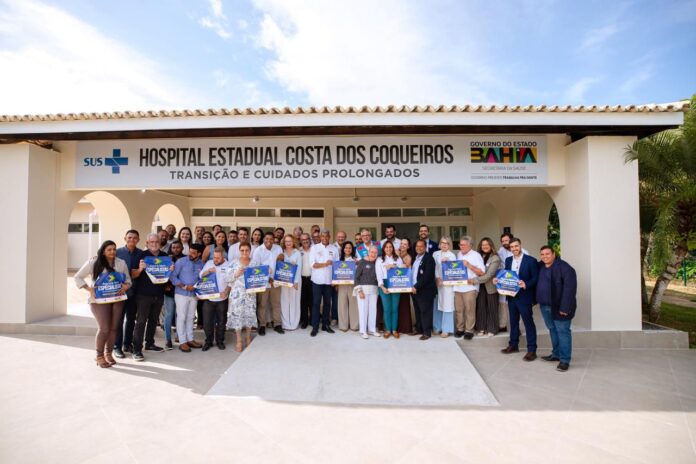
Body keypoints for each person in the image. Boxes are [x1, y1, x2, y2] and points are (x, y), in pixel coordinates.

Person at [75, 240, 131, 367]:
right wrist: (89, 289)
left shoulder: (121, 263)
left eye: (114, 249)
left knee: (114, 329)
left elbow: (128, 280)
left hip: (117, 299)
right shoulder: (94, 262)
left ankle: (108, 353)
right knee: (104, 329)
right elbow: (78, 276)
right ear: (103, 251)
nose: (112, 252)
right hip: (99, 300)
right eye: (109, 249)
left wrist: (125, 286)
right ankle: (99, 356)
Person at [131, 233, 173, 361]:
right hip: (143, 295)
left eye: (157, 242)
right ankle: (137, 349)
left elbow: (167, 276)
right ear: (147, 243)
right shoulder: (141, 255)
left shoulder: (165, 256)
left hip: (159, 294)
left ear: (160, 243)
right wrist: (140, 269)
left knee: (154, 321)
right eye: (152, 242)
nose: (154, 244)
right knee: (141, 322)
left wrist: (171, 270)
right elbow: (133, 274)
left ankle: (149, 343)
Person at [498, 238, 539, 361]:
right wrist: (498, 280)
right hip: (511, 296)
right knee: (513, 322)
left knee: (528, 323)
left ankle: (532, 350)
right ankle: (513, 345)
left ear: (520, 246)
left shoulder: (531, 260)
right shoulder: (508, 260)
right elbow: (507, 276)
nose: (514, 249)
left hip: (525, 296)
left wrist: (526, 284)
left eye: (516, 246)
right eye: (512, 247)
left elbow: (535, 278)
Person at [537, 246, 577, 372]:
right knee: (552, 330)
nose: (544, 256)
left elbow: (569, 290)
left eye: (547, 254)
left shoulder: (565, 268)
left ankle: (564, 360)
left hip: (560, 307)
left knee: (563, 332)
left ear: (554, 254)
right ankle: (556, 354)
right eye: (542, 254)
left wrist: (565, 307)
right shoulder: (540, 266)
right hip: (544, 306)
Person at [169, 243, 204, 352]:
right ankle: (182, 341)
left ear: (199, 254)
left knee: (191, 317)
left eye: (194, 253)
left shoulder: (201, 264)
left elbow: (202, 279)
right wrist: (184, 286)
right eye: (190, 251)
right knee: (182, 317)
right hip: (181, 294)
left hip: (194, 295)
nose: (190, 254)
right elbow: (172, 276)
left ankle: (190, 339)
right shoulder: (181, 261)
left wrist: (200, 291)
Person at [113, 229, 140, 358]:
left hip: (134, 292)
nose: (132, 240)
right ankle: (117, 347)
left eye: (134, 238)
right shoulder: (117, 252)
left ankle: (127, 344)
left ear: (138, 240)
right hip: (120, 292)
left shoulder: (141, 253)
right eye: (129, 237)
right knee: (118, 320)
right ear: (125, 239)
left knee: (131, 320)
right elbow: (104, 258)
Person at [226, 242, 257, 352]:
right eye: (242, 250)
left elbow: (260, 277)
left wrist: (268, 271)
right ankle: (239, 340)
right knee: (237, 317)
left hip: (250, 294)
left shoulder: (254, 263)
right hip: (237, 294)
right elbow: (227, 279)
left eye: (247, 250)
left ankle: (248, 337)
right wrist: (236, 274)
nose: (244, 252)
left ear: (250, 251)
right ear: (239, 251)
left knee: (249, 315)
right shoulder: (233, 263)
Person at [251, 231, 284, 334]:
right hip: (263, 282)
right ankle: (262, 325)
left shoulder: (278, 248)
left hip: (276, 281)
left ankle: (277, 324)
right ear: (263, 239)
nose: (269, 241)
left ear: (274, 239)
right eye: (266, 239)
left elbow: (281, 264)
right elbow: (256, 267)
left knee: (276, 303)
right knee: (262, 304)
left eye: (271, 239)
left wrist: (277, 277)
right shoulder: (258, 250)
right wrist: (267, 277)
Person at [199, 247, 231, 350]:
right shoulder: (209, 263)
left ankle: (220, 341)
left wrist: (226, 291)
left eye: (218, 258)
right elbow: (201, 275)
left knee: (221, 322)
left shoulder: (229, 265)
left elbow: (231, 281)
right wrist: (208, 271)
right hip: (209, 298)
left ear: (223, 257)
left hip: (222, 299)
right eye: (214, 257)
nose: (215, 260)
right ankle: (208, 342)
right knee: (207, 322)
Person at [454, 236, 485, 340]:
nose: (461, 246)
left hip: (470, 287)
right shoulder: (459, 254)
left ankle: (469, 330)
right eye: (460, 244)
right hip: (458, 287)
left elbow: (482, 272)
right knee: (459, 310)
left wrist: (469, 265)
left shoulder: (476, 255)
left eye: (463, 245)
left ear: (470, 245)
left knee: (469, 310)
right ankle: (460, 329)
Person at [470, 237, 502, 336]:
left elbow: (489, 275)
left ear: (491, 245)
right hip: (480, 287)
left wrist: (474, 280)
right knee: (481, 307)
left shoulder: (495, 258)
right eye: (483, 245)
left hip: (491, 286)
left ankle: (492, 329)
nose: (485, 246)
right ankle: (481, 328)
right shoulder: (478, 256)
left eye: (487, 244)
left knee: (492, 308)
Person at [309, 228, 338, 336]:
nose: (325, 238)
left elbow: (337, 266)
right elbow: (312, 264)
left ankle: (325, 325)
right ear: (320, 237)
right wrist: (325, 264)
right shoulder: (314, 248)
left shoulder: (334, 249)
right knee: (316, 304)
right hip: (317, 281)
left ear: (329, 237)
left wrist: (335, 281)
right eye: (323, 236)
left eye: (326, 236)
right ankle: (315, 327)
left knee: (327, 304)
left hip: (329, 281)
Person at [497, 233, 528, 332]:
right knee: (504, 304)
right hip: (506, 282)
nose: (504, 243)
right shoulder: (500, 251)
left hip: (519, 283)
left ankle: (518, 328)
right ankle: (503, 324)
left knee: (519, 308)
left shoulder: (524, 252)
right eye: (502, 241)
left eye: (506, 240)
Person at [376, 241, 403, 338]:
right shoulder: (379, 260)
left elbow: (402, 271)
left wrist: (392, 266)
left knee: (395, 308)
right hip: (384, 284)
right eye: (386, 247)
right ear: (383, 249)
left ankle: (394, 330)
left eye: (390, 247)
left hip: (396, 283)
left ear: (393, 248)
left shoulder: (398, 258)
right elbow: (378, 274)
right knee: (387, 308)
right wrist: (382, 287)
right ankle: (388, 330)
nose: (388, 249)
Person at [411, 239, 437, 340]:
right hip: (415, 290)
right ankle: (419, 329)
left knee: (425, 311)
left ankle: (427, 332)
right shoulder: (415, 258)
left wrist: (416, 286)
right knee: (418, 311)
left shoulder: (429, 259)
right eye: (417, 246)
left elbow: (427, 276)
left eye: (421, 246)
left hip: (425, 291)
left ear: (425, 247)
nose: (419, 248)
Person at [354, 246, 381, 339]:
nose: (373, 254)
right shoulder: (362, 262)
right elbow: (356, 277)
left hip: (374, 289)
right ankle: (363, 331)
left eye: (375, 252)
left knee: (373, 310)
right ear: (368, 252)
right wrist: (359, 290)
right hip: (363, 290)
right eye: (372, 252)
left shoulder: (378, 262)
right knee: (363, 310)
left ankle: (371, 329)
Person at [162, 240, 184, 350]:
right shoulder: (167, 259)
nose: (176, 249)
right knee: (169, 315)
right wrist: (165, 284)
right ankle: (168, 339)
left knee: (179, 315)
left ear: (182, 248)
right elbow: (162, 273)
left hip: (182, 291)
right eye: (173, 247)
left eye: (178, 247)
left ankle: (179, 336)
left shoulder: (186, 259)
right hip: (169, 291)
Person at [277, 234, 302, 330]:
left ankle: (294, 323)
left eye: (290, 241)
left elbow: (299, 268)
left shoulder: (297, 253)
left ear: (293, 242)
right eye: (286, 241)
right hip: (283, 281)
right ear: (284, 242)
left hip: (295, 281)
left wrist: (295, 281)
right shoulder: (281, 252)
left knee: (294, 301)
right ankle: (285, 324)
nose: (288, 243)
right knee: (284, 301)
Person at [433, 236, 456, 338]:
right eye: (442, 242)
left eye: (446, 243)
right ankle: (437, 327)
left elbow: (453, 271)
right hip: (437, 283)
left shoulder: (452, 256)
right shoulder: (435, 254)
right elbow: (434, 268)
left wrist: (448, 262)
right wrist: (438, 278)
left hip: (447, 285)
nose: (444, 245)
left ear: (449, 245)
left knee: (447, 306)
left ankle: (446, 329)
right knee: (437, 305)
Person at [336, 241, 359, 332]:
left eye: (350, 248)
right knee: (342, 305)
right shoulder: (339, 260)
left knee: (354, 305)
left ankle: (354, 325)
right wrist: (336, 284)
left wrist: (357, 264)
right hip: (341, 285)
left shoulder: (355, 260)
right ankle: (343, 325)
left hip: (352, 284)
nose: (348, 249)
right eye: (346, 248)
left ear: (352, 249)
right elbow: (336, 273)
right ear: (343, 249)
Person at [396, 237, 414, 335]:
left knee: (404, 305)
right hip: (394, 284)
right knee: (397, 306)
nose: (402, 245)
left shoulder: (408, 257)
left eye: (405, 244)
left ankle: (406, 328)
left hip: (404, 284)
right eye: (401, 243)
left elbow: (406, 269)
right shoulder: (395, 252)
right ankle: (397, 327)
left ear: (408, 246)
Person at [298, 233, 313, 329]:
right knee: (303, 300)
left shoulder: (314, 249)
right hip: (302, 279)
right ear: (300, 241)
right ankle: (304, 320)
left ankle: (312, 319)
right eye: (303, 240)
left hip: (312, 278)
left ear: (309, 239)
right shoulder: (298, 251)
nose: (305, 241)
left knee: (312, 300)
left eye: (307, 239)